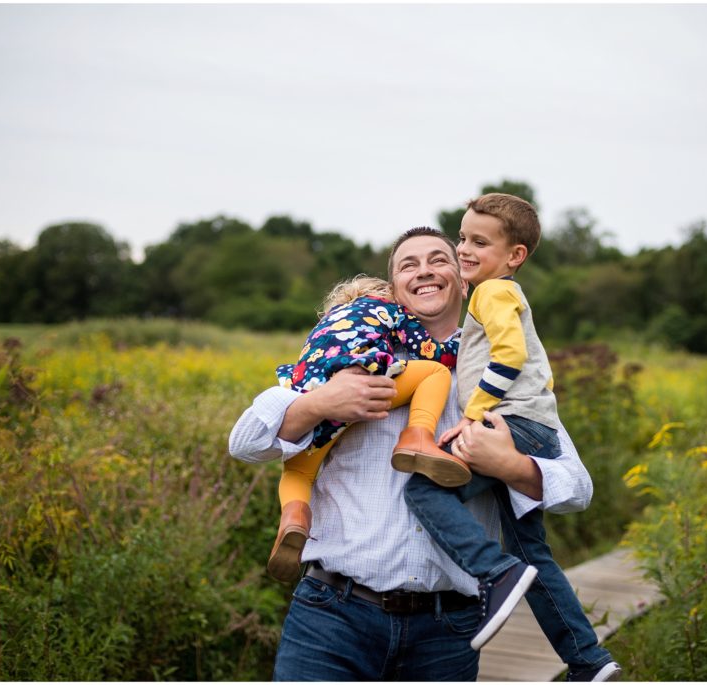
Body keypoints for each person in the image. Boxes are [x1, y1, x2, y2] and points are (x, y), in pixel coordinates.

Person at [228, 227, 594, 681]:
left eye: (440, 260)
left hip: (448, 629)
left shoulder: (503, 372)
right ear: (394, 290)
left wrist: (512, 467)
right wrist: (321, 403)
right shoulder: (357, 355)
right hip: (333, 614)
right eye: (408, 264)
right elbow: (245, 443)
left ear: (463, 281)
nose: (425, 271)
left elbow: (577, 487)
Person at [401, 194, 621, 680]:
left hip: (511, 425)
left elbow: (510, 355)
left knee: (423, 489)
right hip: (528, 425)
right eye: (462, 237)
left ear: (514, 255)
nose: (464, 249)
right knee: (532, 555)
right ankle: (588, 660)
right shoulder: (499, 293)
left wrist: (474, 415)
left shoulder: (491, 292)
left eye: (479, 241)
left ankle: (494, 573)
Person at [267, 274, 466, 582]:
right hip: (365, 384)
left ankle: (294, 518)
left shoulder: (327, 322)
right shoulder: (390, 309)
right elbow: (432, 352)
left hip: (314, 396)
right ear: (390, 296)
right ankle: (418, 437)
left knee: (297, 473)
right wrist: (464, 343)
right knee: (435, 373)